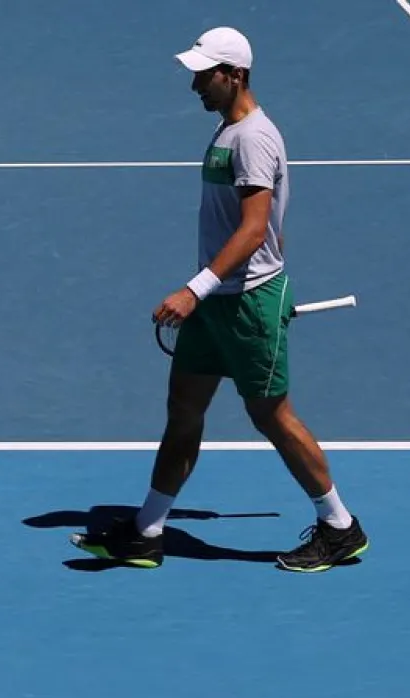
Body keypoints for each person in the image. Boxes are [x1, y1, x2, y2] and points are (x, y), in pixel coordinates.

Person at [71, 26, 368, 572]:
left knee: (271, 416)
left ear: (235, 75)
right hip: (217, 299)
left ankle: (340, 526)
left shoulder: (254, 138)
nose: (195, 86)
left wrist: (196, 290)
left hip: (245, 302)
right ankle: (147, 531)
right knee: (184, 409)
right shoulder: (229, 131)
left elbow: (255, 230)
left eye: (205, 75)